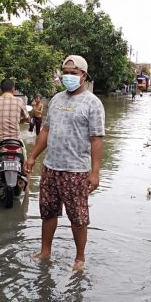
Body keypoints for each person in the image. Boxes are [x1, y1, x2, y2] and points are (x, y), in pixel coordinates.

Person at [23, 55, 105, 271]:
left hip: (76, 170)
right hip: (51, 168)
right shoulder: (56, 99)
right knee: (48, 212)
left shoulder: (92, 103)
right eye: (65, 72)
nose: (68, 76)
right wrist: (32, 157)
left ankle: (79, 259)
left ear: (83, 76)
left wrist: (95, 172)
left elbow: (96, 139)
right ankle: (45, 251)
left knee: (78, 217)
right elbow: (46, 131)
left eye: (73, 73)